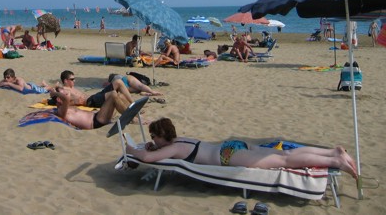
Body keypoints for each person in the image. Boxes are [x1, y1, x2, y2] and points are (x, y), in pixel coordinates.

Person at [126, 118, 358, 179]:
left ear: (161, 136)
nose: (152, 140)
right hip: (231, 147)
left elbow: (147, 156)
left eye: (153, 137)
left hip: (228, 157)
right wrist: (153, 145)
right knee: (282, 154)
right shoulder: (180, 140)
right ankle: (332, 152)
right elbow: (155, 149)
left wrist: (130, 149)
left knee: (285, 160)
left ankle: (335, 160)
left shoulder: (172, 150)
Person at [49, 87, 130, 130]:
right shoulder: (61, 111)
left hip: (98, 116)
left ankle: (134, 113)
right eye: (66, 94)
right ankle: (131, 118)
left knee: (120, 95)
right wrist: (54, 93)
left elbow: (67, 99)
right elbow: (65, 99)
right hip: (96, 122)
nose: (68, 95)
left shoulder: (68, 107)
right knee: (113, 95)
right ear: (59, 99)